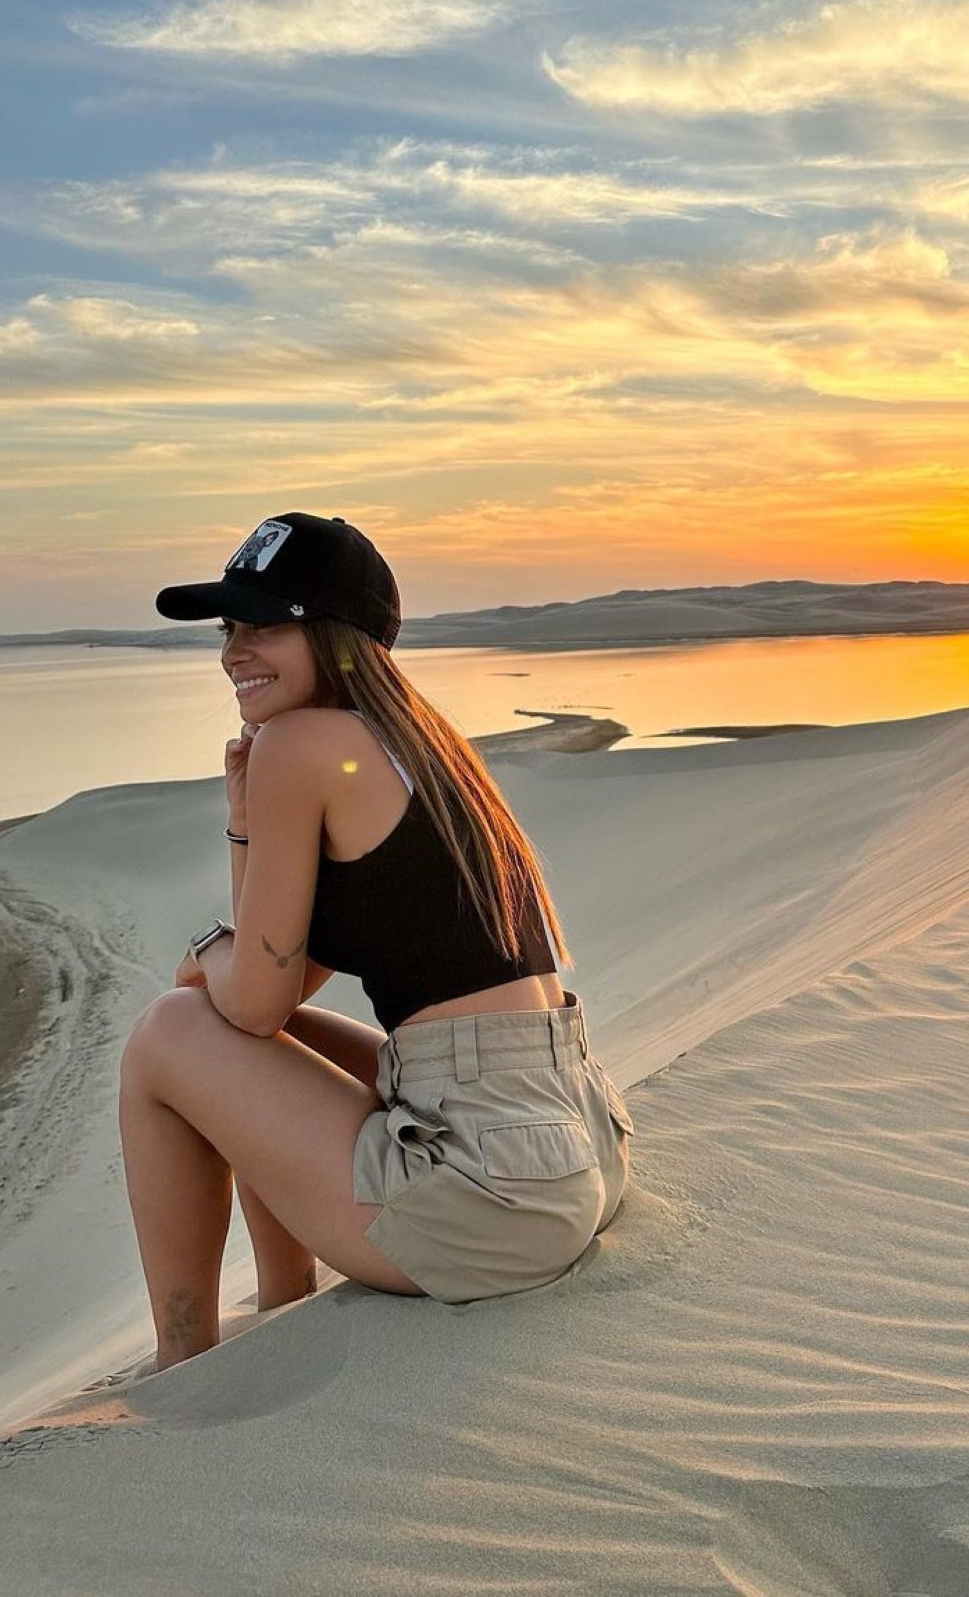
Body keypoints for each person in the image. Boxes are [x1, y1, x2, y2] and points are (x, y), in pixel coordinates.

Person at [119, 511, 634, 1371]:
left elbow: (245, 993)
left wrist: (205, 950)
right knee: (244, 1044)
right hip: (571, 1150)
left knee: (166, 1035)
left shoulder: (302, 742)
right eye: (229, 626)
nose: (234, 651)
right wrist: (247, 826)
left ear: (337, 634)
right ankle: (285, 1305)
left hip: (490, 1198)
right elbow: (272, 998)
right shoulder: (419, 747)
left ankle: (183, 1363)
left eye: (265, 623)